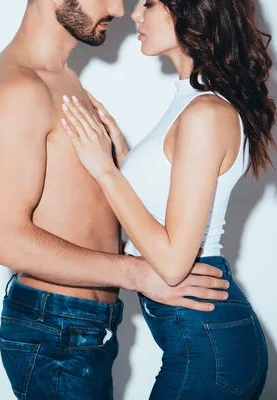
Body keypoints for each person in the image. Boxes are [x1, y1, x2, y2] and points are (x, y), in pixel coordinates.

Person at [0, 0, 231, 398]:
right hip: (55, 332)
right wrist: (137, 274)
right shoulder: (19, 89)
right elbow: (6, 240)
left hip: (83, 327)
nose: (119, 10)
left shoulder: (62, 79)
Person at [60, 0, 274, 398]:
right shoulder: (193, 102)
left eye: (150, 3)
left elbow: (174, 264)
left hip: (208, 348)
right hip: (202, 341)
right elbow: (164, 201)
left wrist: (105, 172)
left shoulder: (206, 113)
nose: (135, 14)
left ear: (193, 11)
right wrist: (120, 156)